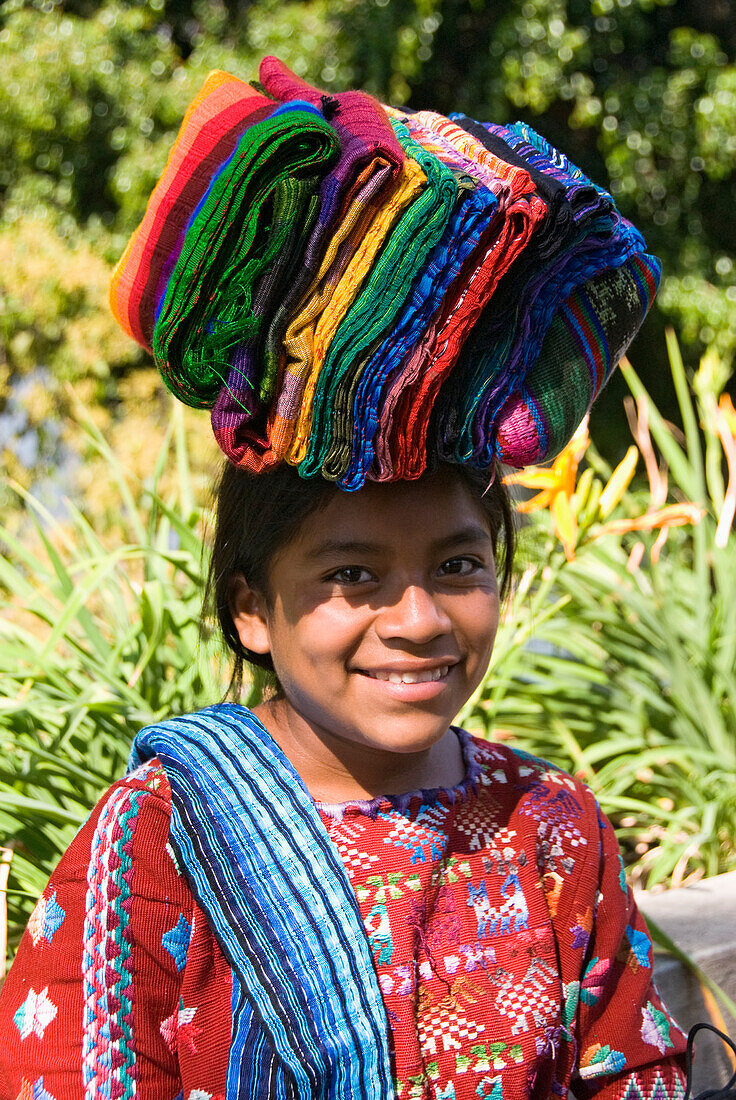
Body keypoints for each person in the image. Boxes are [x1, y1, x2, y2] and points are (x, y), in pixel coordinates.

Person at [0, 58, 687, 1100]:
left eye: (457, 564)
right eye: (352, 573)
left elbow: (635, 1072)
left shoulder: (549, 826)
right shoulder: (158, 840)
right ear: (250, 606)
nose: (416, 618)